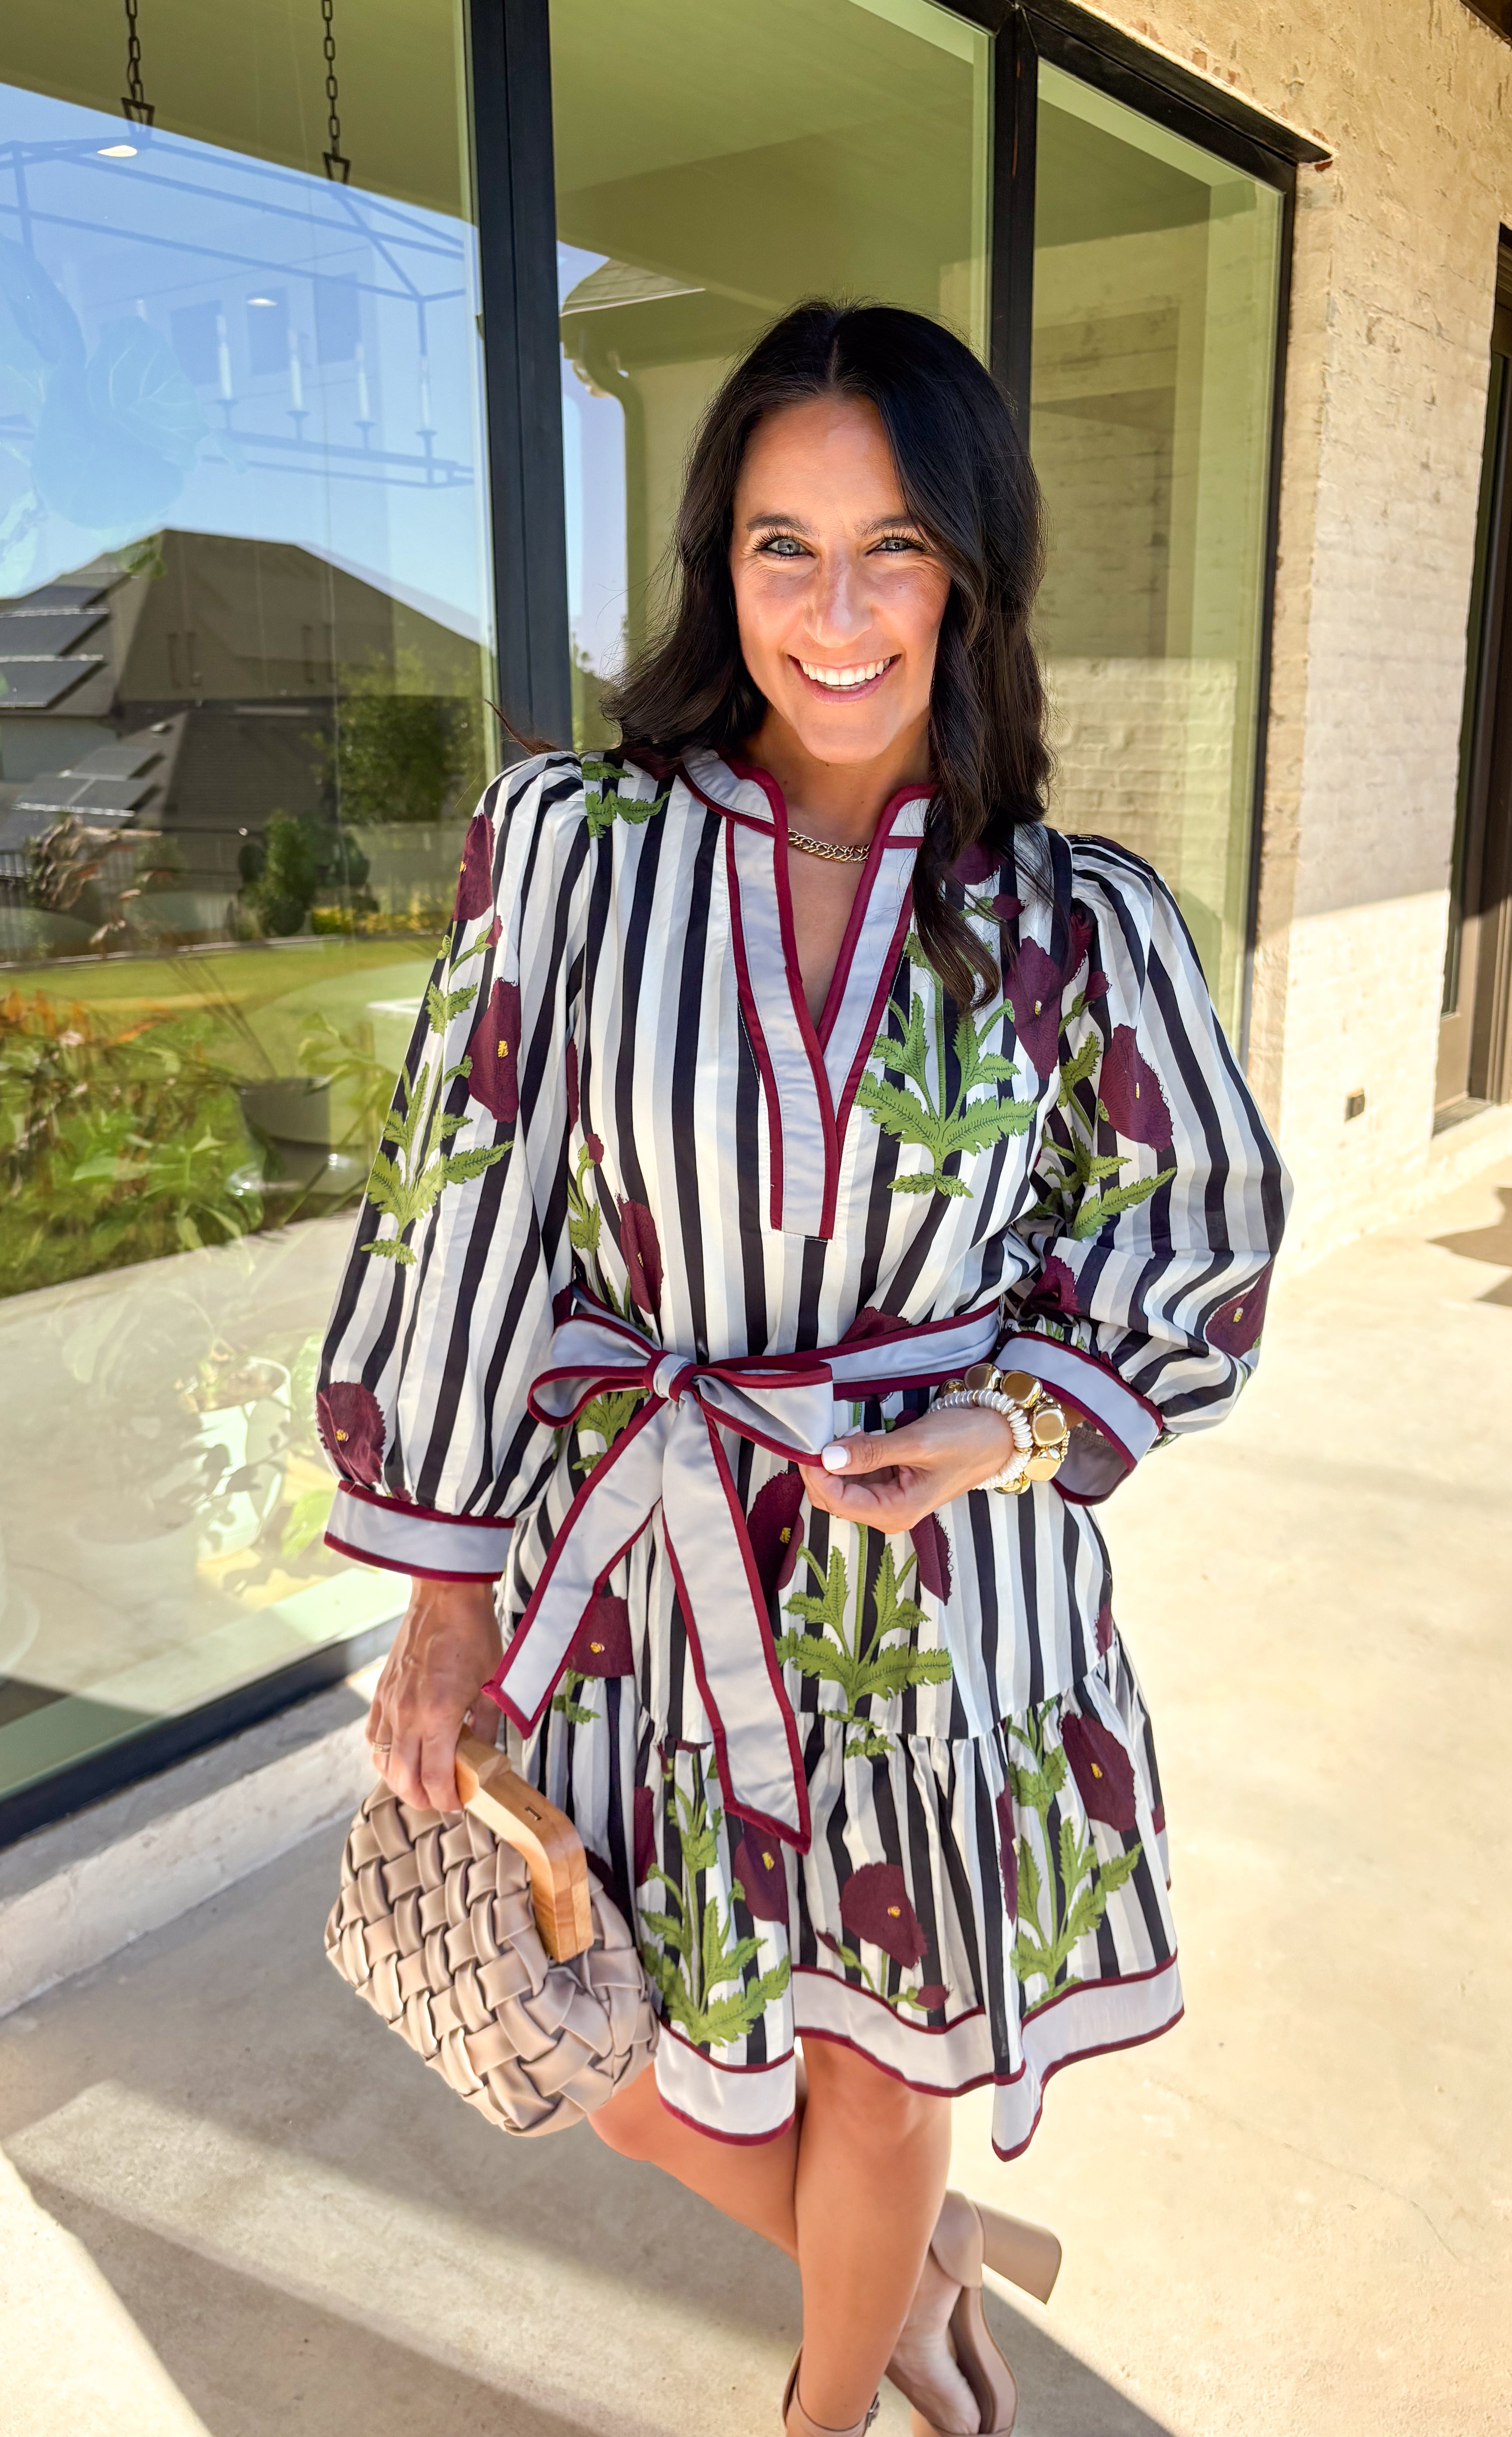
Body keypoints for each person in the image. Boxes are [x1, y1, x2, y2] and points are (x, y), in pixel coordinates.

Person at [316, 299, 1287, 2437]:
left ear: (968, 568)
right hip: (652, 1576)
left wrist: (1004, 1419)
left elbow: (1192, 1237)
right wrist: (446, 1598)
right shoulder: (567, 851)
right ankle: (916, 2275)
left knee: (878, 2058)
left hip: (947, 1606)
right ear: (714, 566)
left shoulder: (1077, 920)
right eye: (780, 545)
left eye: (889, 548)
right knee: (622, 2049)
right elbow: (459, 1211)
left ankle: (832, 2403)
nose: (832, 614)